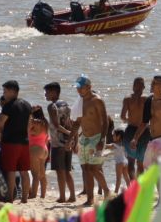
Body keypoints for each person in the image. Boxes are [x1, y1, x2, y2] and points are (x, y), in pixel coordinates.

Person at [70, 75, 110, 206]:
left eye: (81, 88)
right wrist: (70, 139)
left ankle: (107, 191)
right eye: (77, 88)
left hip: (96, 138)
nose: (79, 90)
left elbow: (106, 122)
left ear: (89, 87)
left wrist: (102, 140)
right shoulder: (80, 102)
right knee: (86, 169)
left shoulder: (97, 101)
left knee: (94, 169)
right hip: (84, 139)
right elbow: (77, 123)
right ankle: (90, 198)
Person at [0, 80, 31, 203]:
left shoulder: (8, 106)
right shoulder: (27, 105)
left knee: (11, 171)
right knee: (24, 172)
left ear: (13, 91)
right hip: (24, 142)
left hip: (10, 143)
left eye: (5, 91)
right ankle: (24, 199)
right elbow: (29, 125)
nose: (4, 93)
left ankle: (10, 198)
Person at [132, 75, 161, 167]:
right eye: (152, 82)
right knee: (150, 173)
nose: (151, 84)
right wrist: (135, 138)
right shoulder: (149, 101)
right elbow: (144, 122)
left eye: (154, 83)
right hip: (152, 141)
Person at [44, 82, 75, 203]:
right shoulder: (66, 105)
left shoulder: (52, 106)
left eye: (47, 92)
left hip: (57, 142)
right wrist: (72, 137)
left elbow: (56, 126)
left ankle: (62, 196)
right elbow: (72, 124)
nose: (45, 94)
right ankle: (72, 196)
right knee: (67, 170)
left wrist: (67, 133)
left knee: (59, 171)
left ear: (54, 92)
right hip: (68, 142)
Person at [120, 77, 148, 179]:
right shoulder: (147, 99)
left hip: (131, 130)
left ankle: (133, 186)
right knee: (140, 162)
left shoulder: (127, 99)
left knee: (131, 161)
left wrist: (130, 120)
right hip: (144, 131)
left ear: (133, 87)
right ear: (144, 87)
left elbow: (122, 117)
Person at [28, 106, 49, 199]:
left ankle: (33, 195)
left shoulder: (33, 122)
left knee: (35, 174)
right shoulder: (45, 122)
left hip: (35, 149)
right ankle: (43, 196)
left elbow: (27, 130)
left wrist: (29, 113)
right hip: (44, 149)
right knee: (42, 175)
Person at [109, 128, 130, 193]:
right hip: (125, 161)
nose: (112, 136)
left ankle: (116, 192)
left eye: (114, 135)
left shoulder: (114, 145)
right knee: (126, 177)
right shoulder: (124, 144)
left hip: (119, 163)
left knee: (118, 178)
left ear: (118, 136)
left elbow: (106, 146)